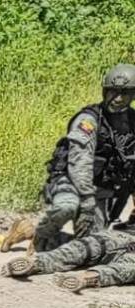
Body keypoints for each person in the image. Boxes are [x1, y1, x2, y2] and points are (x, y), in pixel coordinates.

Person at [31, 63, 135, 252]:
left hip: (100, 192)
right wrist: (87, 202)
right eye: (113, 91)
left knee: (92, 249)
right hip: (70, 182)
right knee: (67, 207)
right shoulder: (88, 121)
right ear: (105, 90)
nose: (118, 98)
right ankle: (39, 235)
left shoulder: (132, 123)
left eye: (125, 93)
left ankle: (30, 233)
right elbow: (80, 163)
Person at [1, 228, 135, 292]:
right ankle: (88, 277)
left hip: (120, 237)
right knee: (122, 270)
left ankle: (36, 262)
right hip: (123, 238)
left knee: (78, 250)